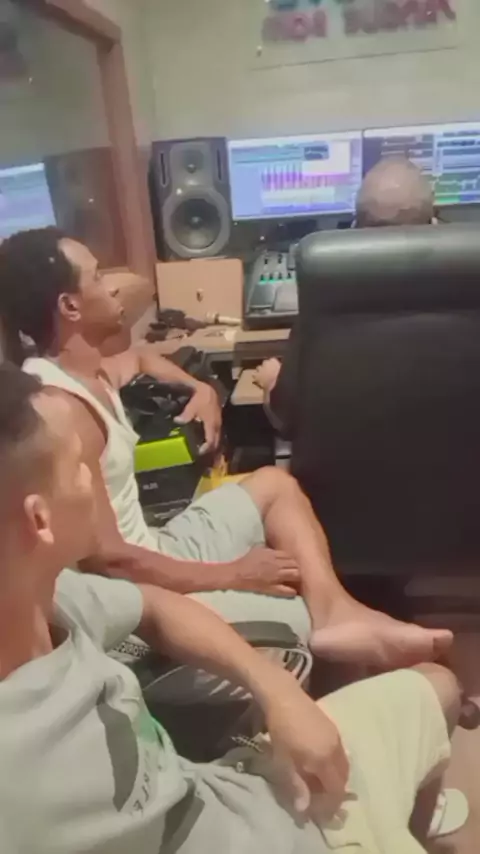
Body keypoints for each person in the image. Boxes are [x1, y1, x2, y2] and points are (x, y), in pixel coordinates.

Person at [0, 361, 462, 854]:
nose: (94, 479)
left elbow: (152, 605)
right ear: (40, 520)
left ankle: (391, 815)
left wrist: (278, 692)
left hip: (229, 797)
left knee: (439, 687)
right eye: (80, 466)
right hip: (287, 836)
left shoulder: (52, 597)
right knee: (432, 683)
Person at [0, 228, 452, 668]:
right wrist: (236, 573)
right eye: (98, 276)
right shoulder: (63, 410)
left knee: (275, 484)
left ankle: (337, 613)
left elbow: (138, 358)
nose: (113, 287)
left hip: (156, 546)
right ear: (70, 306)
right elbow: (110, 561)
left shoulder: (87, 370)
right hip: (138, 589)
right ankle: (329, 643)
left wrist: (201, 389)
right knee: (293, 613)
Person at [254, 157, 436, 434]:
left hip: (351, 462)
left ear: (355, 230)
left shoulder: (325, 301)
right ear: (434, 224)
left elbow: (285, 419)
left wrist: (271, 382)